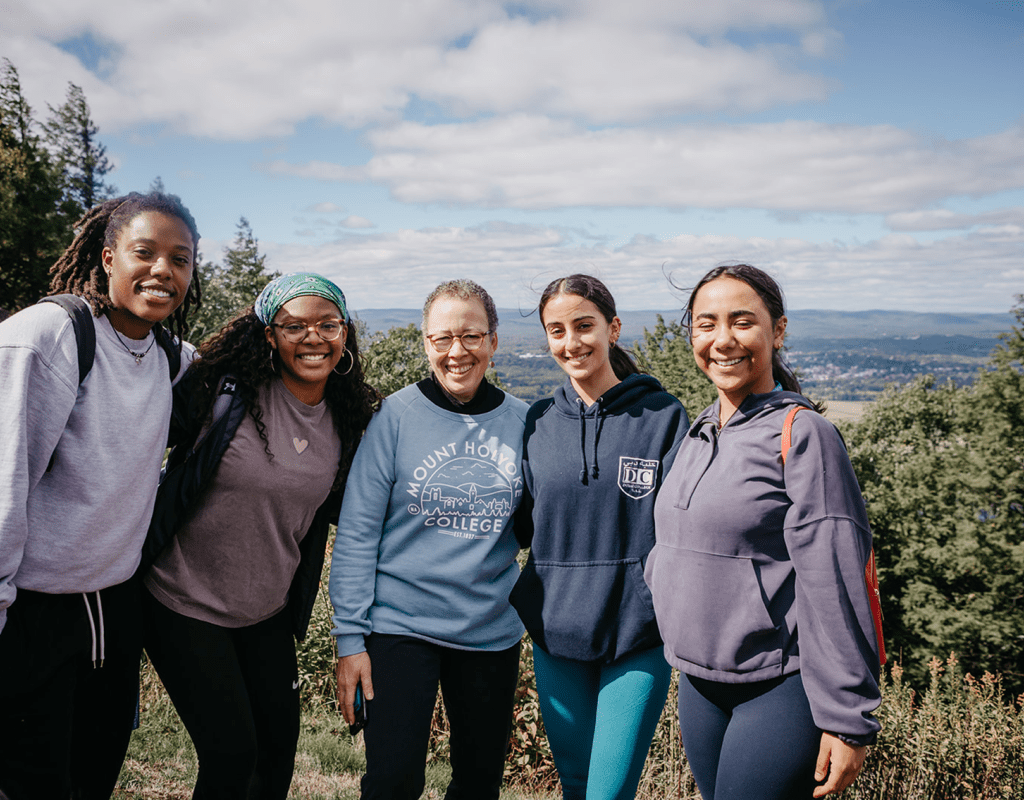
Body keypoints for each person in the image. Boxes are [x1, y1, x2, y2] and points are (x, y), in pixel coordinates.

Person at [644, 264, 881, 800]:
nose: (722, 339)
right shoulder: (700, 430)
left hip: (779, 686)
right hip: (699, 681)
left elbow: (836, 580)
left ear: (777, 331)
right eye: (706, 324)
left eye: (742, 321)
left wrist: (848, 717)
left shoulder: (804, 436)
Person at [141, 272, 380, 799]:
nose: (312, 337)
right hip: (181, 602)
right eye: (294, 326)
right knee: (231, 755)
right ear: (269, 334)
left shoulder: (349, 419)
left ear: (345, 334)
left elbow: (359, 515)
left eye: (327, 324)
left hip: (265, 612)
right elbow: (132, 434)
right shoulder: (223, 391)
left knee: (275, 759)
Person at [0, 192, 201, 800]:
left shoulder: (169, 356)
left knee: (92, 776)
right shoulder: (49, 337)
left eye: (181, 259)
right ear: (108, 256)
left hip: (113, 609)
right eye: (145, 253)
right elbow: (3, 487)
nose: (163, 271)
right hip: (31, 614)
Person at [330, 279, 529, 800]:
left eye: (471, 336)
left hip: (489, 632)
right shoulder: (394, 417)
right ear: (425, 343)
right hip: (400, 628)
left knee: (479, 783)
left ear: (493, 342)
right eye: (442, 338)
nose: (456, 351)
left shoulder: (524, 423)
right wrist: (349, 639)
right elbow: (356, 534)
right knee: (393, 781)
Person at [509, 274, 689, 799]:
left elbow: (682, 530)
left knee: (608, 792)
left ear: (612, 328)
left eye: (584, 326)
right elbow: (522, 526)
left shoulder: (663, 416)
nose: (572, 342)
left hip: (638, 632)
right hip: (555, 632)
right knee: (576, 785)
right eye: (557, 330)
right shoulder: (538, 422)